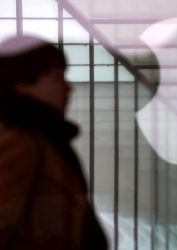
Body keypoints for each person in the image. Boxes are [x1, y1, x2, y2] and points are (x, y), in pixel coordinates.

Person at [0, 35, 107, 250]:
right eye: (57, 77)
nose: (69, 88)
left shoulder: (45, 140)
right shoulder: (21, 143)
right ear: (22, 83)